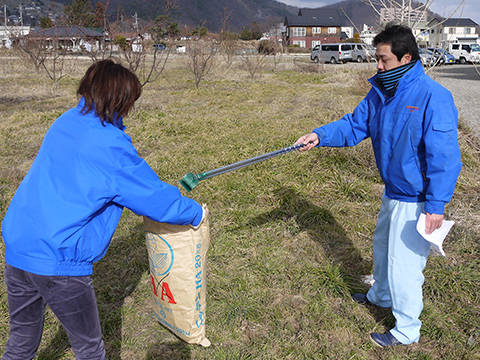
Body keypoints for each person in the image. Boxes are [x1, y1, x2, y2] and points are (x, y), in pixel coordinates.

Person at [1, 60, 205, 359]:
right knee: (89, 347)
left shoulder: (67, 121)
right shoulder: (109, 146)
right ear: (120, 99)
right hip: (60, 261)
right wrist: (196, 213)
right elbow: (151, 197)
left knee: (20, 342)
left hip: (19, 248)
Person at [295, 24, 462, 347]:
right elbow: (354, 125)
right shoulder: (381, 92)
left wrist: (436, 205)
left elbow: (445, 158)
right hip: (392, 192)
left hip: (416, 200)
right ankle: (381, 296)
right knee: (383, 252)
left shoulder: (433, 97)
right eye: (377, 58)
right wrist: (320, 135)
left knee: (405, 267)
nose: (378, 66)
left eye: (384, 59)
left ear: (407, 58)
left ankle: (406, 330)